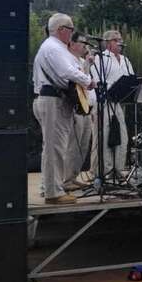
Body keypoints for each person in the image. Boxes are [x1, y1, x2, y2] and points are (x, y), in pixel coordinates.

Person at [32, 13, 95, 204]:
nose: (72, 33)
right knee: (54, 148)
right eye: (71, 29)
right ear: (61, 30)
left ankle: (54, 187)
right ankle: (53, 192)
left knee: (55, 147)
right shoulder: (53, 47)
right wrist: (88, 81)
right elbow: (67, 72)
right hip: (52, 100)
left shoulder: (56, 48)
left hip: (56, 100)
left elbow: (70, 70)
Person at [90, 30, 134, 177]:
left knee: (122, 136)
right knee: (105, 136)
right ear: (107, 43)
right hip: (105, 101)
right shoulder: (101, 58)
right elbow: (96, 80)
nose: (120, 42)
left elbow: (131, 79)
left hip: (119, 102)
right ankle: (105, 170)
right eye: (116, 40)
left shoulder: (125, 59)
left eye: (120, 39)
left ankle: (118, 169)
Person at [64, 32, 95, 191]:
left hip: (86, 107)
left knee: (83, 145)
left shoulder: (82, 61)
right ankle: (66, 179)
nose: (86, 46)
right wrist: (87, 67)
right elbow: (78, 80)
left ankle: (73, 177)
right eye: (83, 43)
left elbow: (87, 84)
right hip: (75, 107)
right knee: (73, 146)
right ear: (73, 43)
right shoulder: (67, 59)